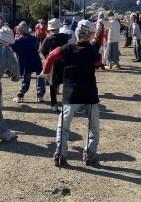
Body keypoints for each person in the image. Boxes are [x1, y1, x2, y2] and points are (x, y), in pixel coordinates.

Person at [39, 20, 103, 167]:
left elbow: (51, 57)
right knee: (93, 127)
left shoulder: (67, 48)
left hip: (70, 95)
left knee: (63, 127)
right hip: (90, 94)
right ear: (90, 34)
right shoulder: (92, 50)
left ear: (77, 32)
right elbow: (99, 63)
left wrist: (46, 72)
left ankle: (61, 155)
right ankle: (89, 155)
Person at [39, 18, 69, 113]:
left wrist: (48, 57)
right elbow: (70, 37)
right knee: (65, 82)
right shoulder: (64, 37)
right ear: (59, 28)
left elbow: (42, 49)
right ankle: (66, 103)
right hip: (64, 62)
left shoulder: (48, 38)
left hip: (53, 63)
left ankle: (54, 104)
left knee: (52, 83)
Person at [12, 22, 45, 103]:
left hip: (24, 62)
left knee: (26, 79)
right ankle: (40, 94)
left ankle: (21, 92)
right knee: (40, 77)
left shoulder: (16, 41)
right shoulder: (35, 39)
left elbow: (14, 50)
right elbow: (36, 48)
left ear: (19, 30)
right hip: (36, 60)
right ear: (27, 30)